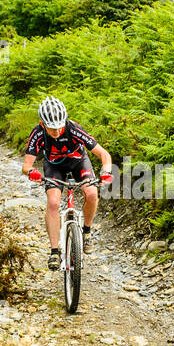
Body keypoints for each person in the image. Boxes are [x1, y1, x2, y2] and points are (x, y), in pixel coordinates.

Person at [22, 96, 113, 270]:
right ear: (43, 124)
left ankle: (86, 231)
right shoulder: (38, 133)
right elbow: (26, 165)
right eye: (52, 129)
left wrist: (106, 171)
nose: (57, 132)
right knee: (54, 202)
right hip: (54, 166)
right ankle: (54, 251)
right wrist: (32, 172)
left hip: (79, 162)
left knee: (92, 193)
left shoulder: (73, 128)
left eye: (59, 127)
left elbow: (104, 154)